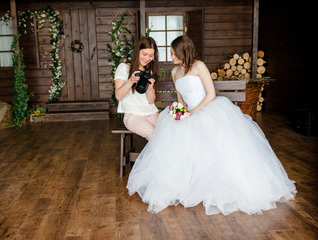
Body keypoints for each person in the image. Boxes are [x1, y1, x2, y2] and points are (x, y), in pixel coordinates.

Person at [126, 35, 296, 215]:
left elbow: (211, 94)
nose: (171, 56)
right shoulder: (175, 72)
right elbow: (180, 97)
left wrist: (194, 112)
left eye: (173, 53)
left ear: (183, 52)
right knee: (174, 139)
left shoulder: (199, 66)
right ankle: (186, 183)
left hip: (207, 110)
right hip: (188, 113)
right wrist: (181, 110)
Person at [114, 37, 160, 141]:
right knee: (153, 135)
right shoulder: (124, 68)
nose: (147, 58)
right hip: (133, 115)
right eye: (144, 54)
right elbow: (118, 95)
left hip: (150, 112)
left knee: (166, 131)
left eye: (151, 55)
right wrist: (130, 81)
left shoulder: (149, 72)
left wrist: (150, 88)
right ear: (137, 52)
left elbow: (151, 101)